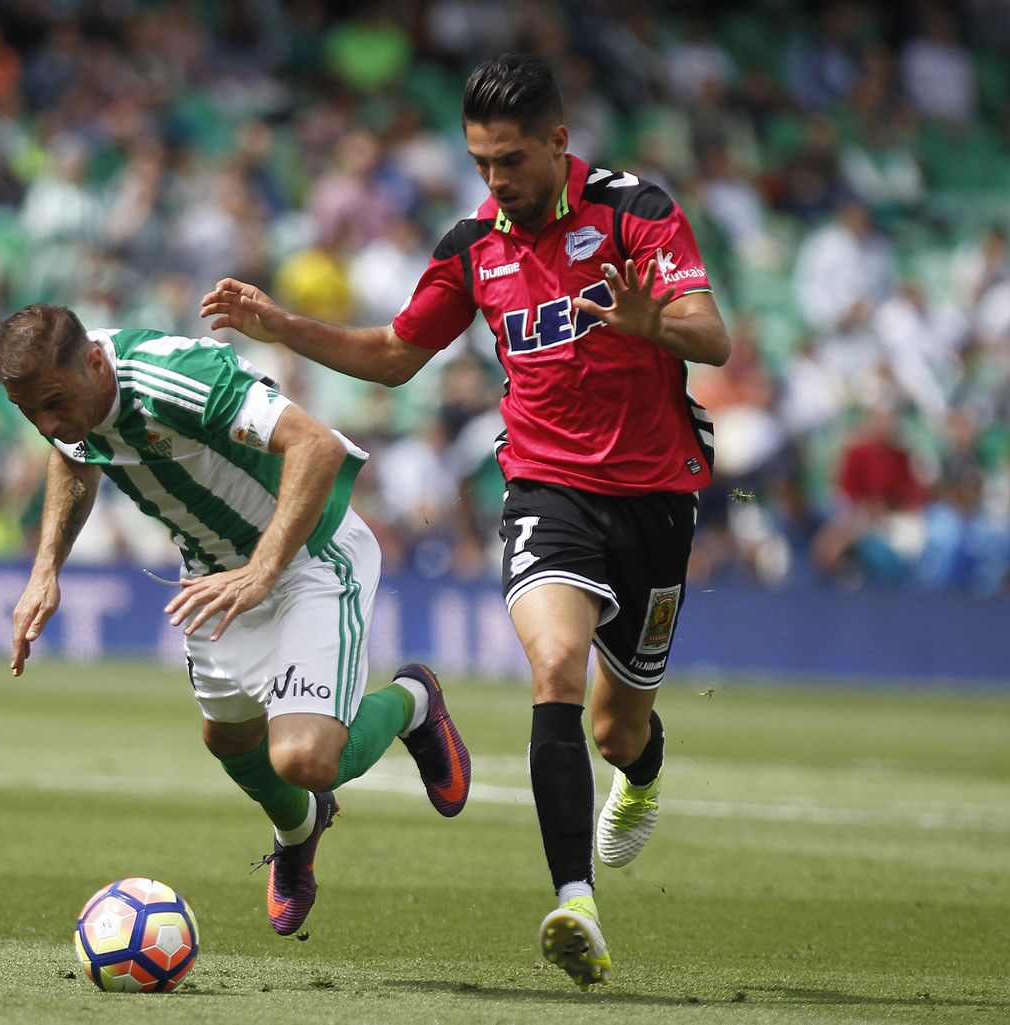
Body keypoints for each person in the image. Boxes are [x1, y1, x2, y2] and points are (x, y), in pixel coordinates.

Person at [201, 54, 731, 988]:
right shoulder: (472, 244)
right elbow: (396, 353)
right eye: (481, 161)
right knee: (555, 664)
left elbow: (711, 334)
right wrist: (284, 327)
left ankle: (642, 772)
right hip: (546, 489)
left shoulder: (635, 212)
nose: (495, 181)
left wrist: (653, 323)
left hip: (655, 497)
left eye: (512, 160)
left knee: (616, 729)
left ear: (559, 143)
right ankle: (575, 900)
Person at [0, 303, 471, 937]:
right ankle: (300, 830)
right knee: (230, 740)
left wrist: (263, 570)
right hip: (217, 579)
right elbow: (73, 452)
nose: (48, 422)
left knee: (304, 760)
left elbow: (316, 447)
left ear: (94, 362)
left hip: (308, 560)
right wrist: (45, 569)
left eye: (54, 402)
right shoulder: (66, 392)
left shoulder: (178, 379)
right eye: (33, 414)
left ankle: (414, 700)